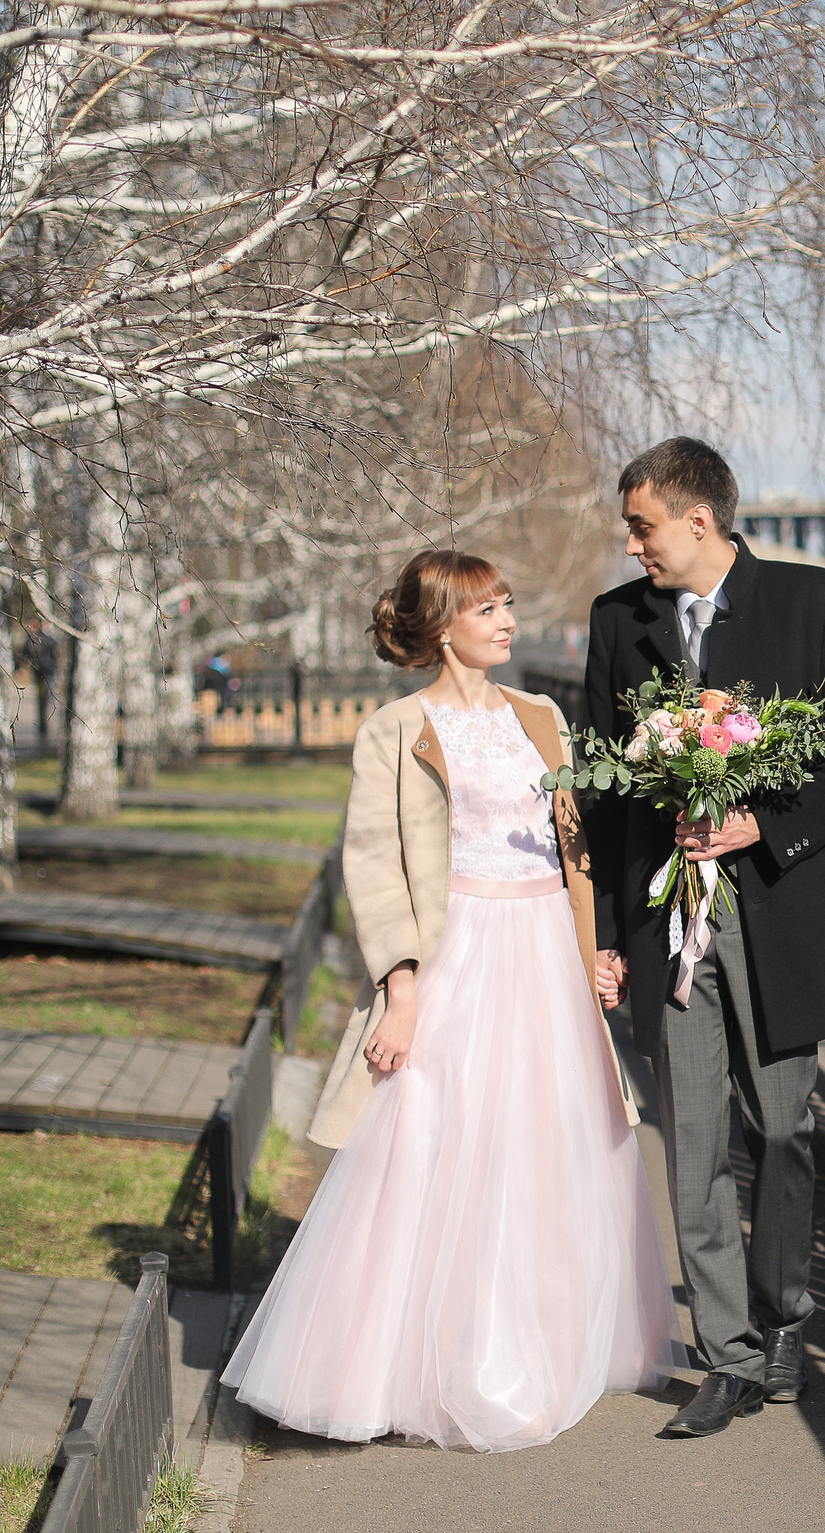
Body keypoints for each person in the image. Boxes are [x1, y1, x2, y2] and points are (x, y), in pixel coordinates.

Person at [222, 548, 679, 1452]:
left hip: (546, 950)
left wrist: (595, 948)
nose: (507, 619)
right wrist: (400, 991)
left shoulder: (543, 717)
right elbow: (375, 870)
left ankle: (538, 1349)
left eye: (508, 603)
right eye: (487, 609)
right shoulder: (394, 729)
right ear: (440, 627)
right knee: (433, 1143)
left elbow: (573, 848)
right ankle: (413, 1363)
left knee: (545, 1148)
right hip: (455, 955)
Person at [582, 437, 825, 1439]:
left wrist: (765, 823)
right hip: (665, 918)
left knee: (780, 1130)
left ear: (698, 521)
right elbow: (603, 791)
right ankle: (727, 1359)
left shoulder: (814, 603)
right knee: (691, 1146)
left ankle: (784, 1322)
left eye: (642, 526)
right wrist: (607, 935)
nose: (631, 545)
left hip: (781, 911)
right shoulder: (615, 624)